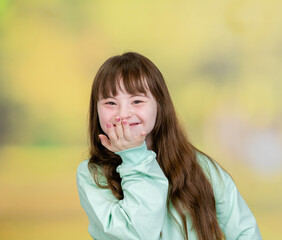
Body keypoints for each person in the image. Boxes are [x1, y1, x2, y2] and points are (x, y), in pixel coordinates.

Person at [76, 52, 262, 240]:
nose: (123, 114)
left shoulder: (201, 167)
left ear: (160, 104)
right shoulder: (92, 174)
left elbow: (245, 232)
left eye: (137, 101)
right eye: (110, 103)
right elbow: (134, 235)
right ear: (96, 110)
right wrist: (134, 157)